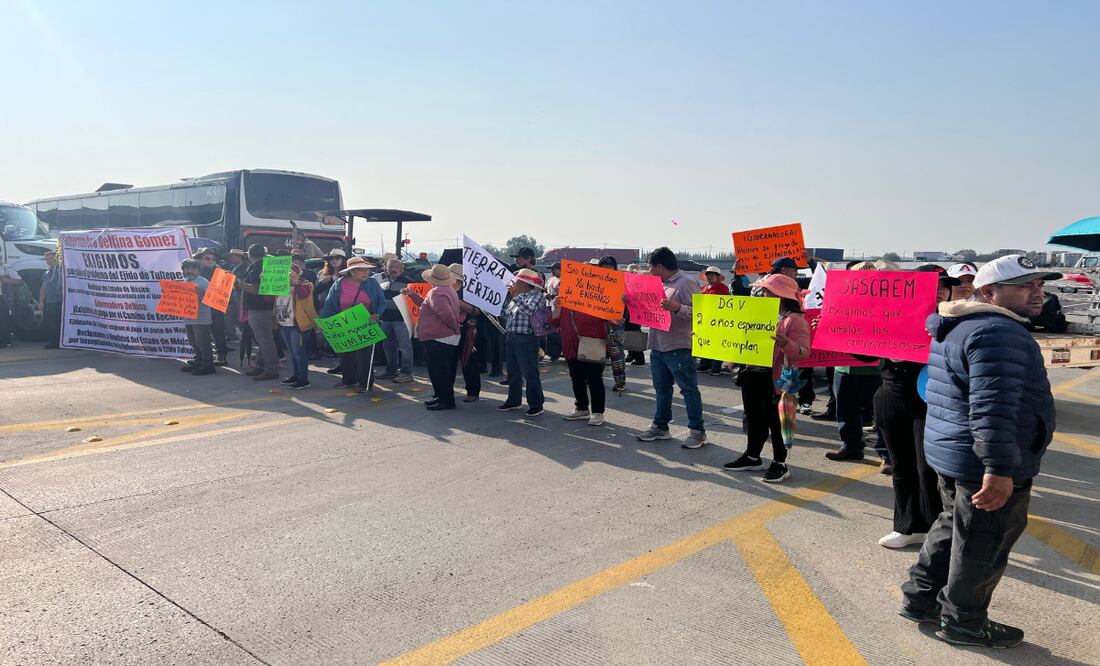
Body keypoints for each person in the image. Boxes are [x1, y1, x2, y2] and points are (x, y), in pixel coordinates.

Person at [901, 255, 1060, 649]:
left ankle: (919, 598)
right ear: (989, 292)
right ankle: (964, 622)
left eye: (1039, 283)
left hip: (954, 452)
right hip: (981, 460)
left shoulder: (960, 323)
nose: (1037, 292)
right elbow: (993, 407)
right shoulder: (997, 331)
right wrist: (998, 468)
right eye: (1025, 285)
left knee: (952, 525)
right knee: (984, 542)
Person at [873, 265, 959, 549]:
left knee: (929, 469)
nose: (938, 292)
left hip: (932, 398)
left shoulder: (956, 322)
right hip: (892, 393)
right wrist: (834, 328)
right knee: (901, 464)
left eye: (943, 287)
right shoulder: (890, 315)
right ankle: (907, 526)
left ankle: (939, 531)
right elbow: (861, 353)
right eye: (931, 286)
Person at [722, 274, 810, 482]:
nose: (761, 293)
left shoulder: (795, 320)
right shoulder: (755, 315)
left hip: (777, 380)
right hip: (752, 375)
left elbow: (803, 352)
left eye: (766, 291)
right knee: (753, 418)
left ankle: (780, 462)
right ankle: (752, 456)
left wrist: (785, 343)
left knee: (777, 422)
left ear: (780, 295)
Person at [635, 247, 706, 448]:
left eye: (650, 266)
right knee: (662, 389)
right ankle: (661, 427)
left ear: (659, 266)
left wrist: (678, 308)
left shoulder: (686, 283)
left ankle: (697, 431)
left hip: (679, 346)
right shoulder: (660, 284)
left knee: (689, 390)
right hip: (658, 345)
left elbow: (702, 314)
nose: (648, 271)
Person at [824, 261, 884, 462]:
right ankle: (851, 446)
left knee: (880, 414)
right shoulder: (839, 302)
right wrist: (822, 325)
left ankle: (887, 454)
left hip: (875, 369)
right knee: (845, 409)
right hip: (844, 366)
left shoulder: (886, 304)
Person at [320, 256, 387, 393]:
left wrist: (378, 314)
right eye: (361, 270)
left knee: (365, 356)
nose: (365, 273)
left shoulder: (372, 284)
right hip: (345, 323)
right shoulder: (339, 283)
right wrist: (324, 322)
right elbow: (329, 303)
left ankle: (366, 384)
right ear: (352, 271)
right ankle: (348, 380)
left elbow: (382, 302)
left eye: (366, 270)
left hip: (366, 323)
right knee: (345, 354)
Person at [404, 264, 461, 410]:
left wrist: (454, 328)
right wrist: (412, 295)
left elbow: (446, 314)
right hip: (443, 335)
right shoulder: (447, 290)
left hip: (438, 336)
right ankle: (442, 397)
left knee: (439, 370)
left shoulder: (437, 292)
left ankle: (445, 400)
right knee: (442, 370)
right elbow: (427, 304)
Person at [553, 293, 610, 426]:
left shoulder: (596, 296)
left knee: (594, 379)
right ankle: (582, 408)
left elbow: (613, 321)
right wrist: (557, 307)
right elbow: (554, 321)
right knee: (576, 378)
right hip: (571, 345)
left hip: (591, 343)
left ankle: (597, 412)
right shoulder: (564, 299)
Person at [497, 268, 546, 417]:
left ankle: (536, 404)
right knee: (513, 372)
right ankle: (514, 400)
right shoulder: (518, 296)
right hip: (512, 336)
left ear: (524, 283)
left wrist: (516, 297)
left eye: (517, 281)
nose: (514, 283)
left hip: (527, 338)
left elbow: (529, 310)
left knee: (529, 373)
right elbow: (506, 314)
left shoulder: (536, 296)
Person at [239, 244, 281, 381]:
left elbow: (256, 289)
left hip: (259, 309)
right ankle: (260, 365)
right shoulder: (265, 264)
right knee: (264, 338)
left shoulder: (258, 267)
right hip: (264, 307)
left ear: (249, 254)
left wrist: (239, 283)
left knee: (264, 339)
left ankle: (271, 370)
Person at [275, 264, 317, 389]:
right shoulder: (278, 285)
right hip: (284, 323)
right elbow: (267, 298)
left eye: (293, 271)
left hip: (298, 324)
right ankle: (296, 375)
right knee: (292, 353)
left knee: (299, 352)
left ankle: (303, 379)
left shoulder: (306, 284)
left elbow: (303, 294)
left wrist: (296, 282)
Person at [448, 263, 482, 402]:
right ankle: (445, 390)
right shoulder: (445, 289)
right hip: (449, 329)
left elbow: (477, 311)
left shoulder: (470, 291)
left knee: (469, 361)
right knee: (448, 362)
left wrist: (460, 303)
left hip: (467, 330)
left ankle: (473, 392)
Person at [378, 258, 415, 383]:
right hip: (385, 319)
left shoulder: (409, 283)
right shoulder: (383, 282)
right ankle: (391, 370)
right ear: (386, 269)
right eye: (390, 267)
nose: (392, 269)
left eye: (395, 267)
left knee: (404, 347)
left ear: (402, 269)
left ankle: (406, 373)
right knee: (388, 346)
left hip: (401, 320)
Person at [179, 259, 215, 376]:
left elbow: (211, 299)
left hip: (201, 318)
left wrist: (201, 293)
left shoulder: (203, 282)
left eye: (193, 268)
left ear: (199, 270)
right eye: (187, 268)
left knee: (203, 341)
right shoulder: (184, 282)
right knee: (193, 341)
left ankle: (208, 365)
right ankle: (198, 361)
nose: (189, 271)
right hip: (188, 317)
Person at [194, 247, 230, 366]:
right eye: (207, 258)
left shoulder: (221, 272)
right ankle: (202, 357)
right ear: (199, 259)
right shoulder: (194, 271)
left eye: (213, 259)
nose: (211, 261)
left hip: (215, 307)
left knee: (218, 331)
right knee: (200, 334)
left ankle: (222, 356)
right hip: (199, 308)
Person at [598, 255, 627, 392]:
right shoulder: (594, 282)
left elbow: (632, 301)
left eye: (610, 268)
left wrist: (626, 300)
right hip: (598, 323)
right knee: (596, 353)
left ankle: (620, 381)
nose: (607, 270)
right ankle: (594, 379)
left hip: (616, 324)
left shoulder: (623, 282)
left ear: (615, 268)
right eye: (604, 268)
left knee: (616, 354)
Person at [697, 266, 730, 375]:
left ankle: (716, 368)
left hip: (719, 322)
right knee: (706, 343)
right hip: (705, 322)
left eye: (713, 274)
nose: (710, 276)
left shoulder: (723, 288)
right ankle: (704, 365)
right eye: (708, 274)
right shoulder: (702, 289)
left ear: (718, 276)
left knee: (718, 345)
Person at [37, 249, 63, 349]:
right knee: (52, 322)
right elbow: (43, 288)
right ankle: (53, 342)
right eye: (47, 259)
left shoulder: (61, 270)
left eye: (51, 258)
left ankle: (62, 342)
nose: (49, 261)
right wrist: (41, 302)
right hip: (50, 301)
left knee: (60, 322)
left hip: (61, 300)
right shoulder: (46, 272)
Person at [0, 260, 22, 348]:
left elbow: (19, 281)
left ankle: (6, 341)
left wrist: (4, 279)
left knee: (4, 320)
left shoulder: (6, 268)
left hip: (3, 297)